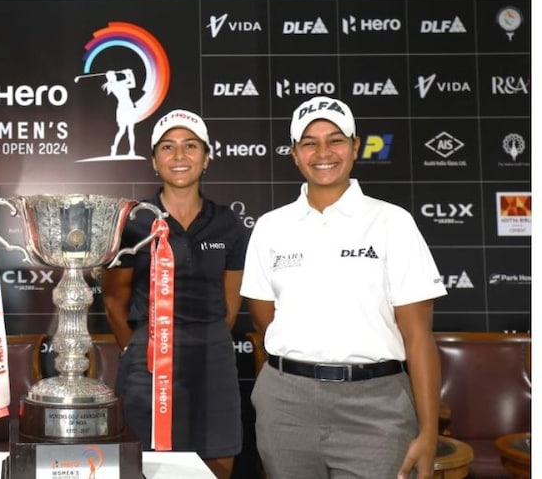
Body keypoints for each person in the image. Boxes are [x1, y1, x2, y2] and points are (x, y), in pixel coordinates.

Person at [240, 95, 446, 479]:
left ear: (355, 146)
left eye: (335, 140)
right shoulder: (270, 227)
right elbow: (265, 319)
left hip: (377, 405)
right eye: (309, 142)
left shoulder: (392, 222)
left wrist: (429, 433)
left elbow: (418, 337)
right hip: (286, 404)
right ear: (295, 154)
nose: (323, 152)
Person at [101, 109, 246, 479]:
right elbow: (114, 300)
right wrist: (140, 349)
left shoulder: (227, 222)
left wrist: (205, 339)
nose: (179, 157)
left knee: (217, 465)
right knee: (148, 467)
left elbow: (230, 303)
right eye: (168, 147)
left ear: (207, 157)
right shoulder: (132, 222)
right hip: (147, 362)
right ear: (153, 160)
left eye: (190, 146)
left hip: (213, 359)